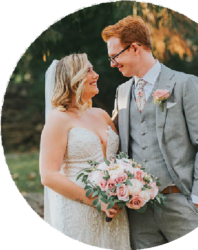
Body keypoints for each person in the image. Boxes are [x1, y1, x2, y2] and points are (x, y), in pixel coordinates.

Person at [101, 15, 198, 248]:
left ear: (135, 48)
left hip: (181, 203)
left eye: (115, 56)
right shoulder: (122, 91)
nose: (113, 63)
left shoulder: (184, 84)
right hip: (139, 213)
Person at [39, 53, 130, 249]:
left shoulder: (102, 115)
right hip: (78, 212)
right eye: (89, 70)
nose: (95, 75)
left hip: (115, 212)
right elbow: (49, 175)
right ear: (73, 78)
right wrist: (97, 201)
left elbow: (122, 160)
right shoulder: (58, 119)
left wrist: (131, 185)